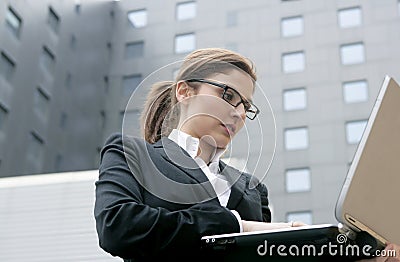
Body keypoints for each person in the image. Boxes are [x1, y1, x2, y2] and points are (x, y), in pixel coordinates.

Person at [94, 48, 399, 261]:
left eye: (246, 106)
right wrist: (237, 226)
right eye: (228, 95)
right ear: (185, 91)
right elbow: (117, 227)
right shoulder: (132, 153)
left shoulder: (253, 190)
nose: (239, 113)